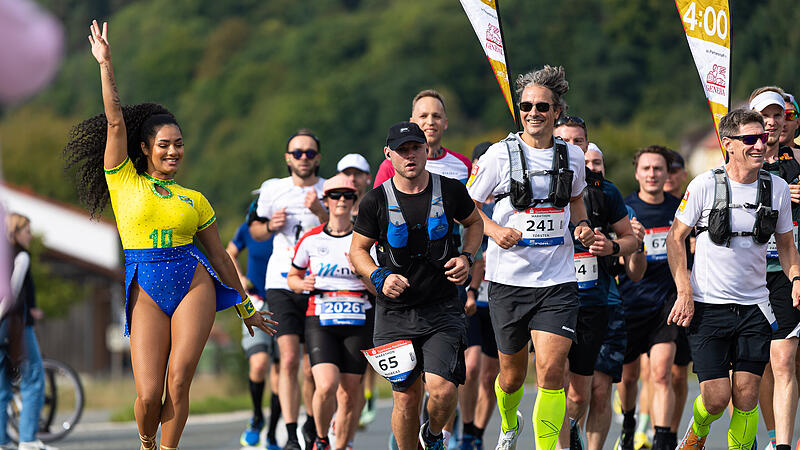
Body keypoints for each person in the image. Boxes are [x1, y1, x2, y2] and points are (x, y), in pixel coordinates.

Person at [63, 21, 275, 450]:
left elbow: (219, 257)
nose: (173, 150)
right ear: (145, 148)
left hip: (191, 279)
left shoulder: (195, 199)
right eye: (164, 144)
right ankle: (147, 440)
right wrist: (106, 65)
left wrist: (246, 308)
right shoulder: (123, 179)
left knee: (179, 381)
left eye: (179, 144)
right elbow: (116, 122)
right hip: (145, 282)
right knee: (147, 396)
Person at [467, 65, 595, 450]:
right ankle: (509, 423)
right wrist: (493, 230)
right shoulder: (498, 156)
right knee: (510, 377)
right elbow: (469, 207)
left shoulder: (572, 156)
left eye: (542, 106)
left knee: (553, 370)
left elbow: (575, 198)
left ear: (557, 112)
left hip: (557, 281)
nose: (533, 113)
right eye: (526, 106)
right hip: (508, 282)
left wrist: (583, 225)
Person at [669, 108, 800, 450]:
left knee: (746, 395)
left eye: (764, 137)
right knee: (716, 397)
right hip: (708, 306)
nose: (760, 144)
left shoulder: (778, 189)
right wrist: (684, 291)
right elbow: (675, 238)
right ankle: (697, 430)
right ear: (728, 144)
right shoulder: (704, 185)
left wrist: (797, 277)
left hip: (755, 307)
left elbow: (786, 246)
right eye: (750, 139)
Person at [350, 121, 483, 450]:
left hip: (442, 309)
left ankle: (434, 435)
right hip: (395, 313)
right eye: (402, 150)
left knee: (443, 390)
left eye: (416, 148)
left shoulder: (450, 190)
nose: (410, 156)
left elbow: (475, 222)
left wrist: (466, 256)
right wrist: (379, 277)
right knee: (407, 398)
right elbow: (357, 250)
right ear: (389, 154)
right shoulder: (375, 201)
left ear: (426, 150)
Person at [552, 118, 638, 450]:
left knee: (597, 390)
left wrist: (612, 246)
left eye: (580, 141)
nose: (573, 147)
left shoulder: (607, 192)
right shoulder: (538, 185)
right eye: (566, 141)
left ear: (587, 146)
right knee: (558, 384)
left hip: (601, 300)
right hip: (553, 299)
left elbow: (630, 240)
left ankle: (583, 440)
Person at [250, 129, 328, 450]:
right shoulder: (273, 190)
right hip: (281, 282)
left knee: (312, 367)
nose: (304, 158)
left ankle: (312, 422)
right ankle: (291, 431)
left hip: (317, 283)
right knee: (289, 358)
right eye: (298, 153)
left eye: (310, 153)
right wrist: (270, 226)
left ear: (318, 158)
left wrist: (320, 213)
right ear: (288, 158)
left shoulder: (329, 189)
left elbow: (343, 229)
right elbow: (254, 229)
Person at [288, 174, 375, 450]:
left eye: (347, 196)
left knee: (349, 395)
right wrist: (303, 284)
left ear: (354, 201)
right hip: (321, 316)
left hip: (359, 317)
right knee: (325, 386)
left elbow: (380, 289)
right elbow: (292, 276)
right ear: (325, 201)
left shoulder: (366, 241)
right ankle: (321, 439)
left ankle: (342, 445)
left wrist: (361, 274)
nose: (341, 201)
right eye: (335, 196)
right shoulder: (311, 239)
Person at [615, 145, 682, 450]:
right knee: (628, 378)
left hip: (666, 302)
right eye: (647, 169)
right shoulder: (625, 210)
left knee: (661, 373)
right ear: (637, 173)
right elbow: (625, 267)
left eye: (658, 169)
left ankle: (663, 439)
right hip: (631, 301)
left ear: (668, 174)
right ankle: (629, 423)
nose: (653, 174)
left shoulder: (680, 209)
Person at [748, 87, 800, 450]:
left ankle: (782, 443)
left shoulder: (796, 158)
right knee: (757, 367)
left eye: (779, 115)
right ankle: (767, 435)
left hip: (788, 269)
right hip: (746, 274)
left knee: (784, 359)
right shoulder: (738, 160)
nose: (773, 122)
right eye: (765, 116)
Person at [227, 201, 281, 450]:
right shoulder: (246, 230)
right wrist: (241, 279)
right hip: (257, 302)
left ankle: (272, 434)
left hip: (283, 301)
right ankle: (258, 417)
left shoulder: (285, 230)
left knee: (281, 372)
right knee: (258, 363)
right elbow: (229, 254)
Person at [459, 141, 500, 450]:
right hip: (470, 300)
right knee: (470, 367)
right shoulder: (463, 203)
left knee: (492, 378)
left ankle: (476, 435)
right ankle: (465, 427)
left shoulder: (508, 199)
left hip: (500, 299)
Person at [0, 214, 49, 450]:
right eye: (27, 230)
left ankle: (2, 441)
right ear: (15, 232)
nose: (30, 235)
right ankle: (28, 439)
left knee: (1, 385)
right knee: (33, 378)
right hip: (14, 324)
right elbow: (10, 294)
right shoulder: (20, 255)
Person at [373, 90, 472, 186]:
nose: (430, 122)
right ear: (412, 122)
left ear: (445, 123)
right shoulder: (391, 165)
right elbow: (378, 201)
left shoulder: (464, 164)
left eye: (436, 116)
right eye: (423, 116)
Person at [336, 154, 371, 219]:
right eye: (347, 173)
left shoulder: (376, 210)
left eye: (358, 173)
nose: (352, 178)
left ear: (368, 178)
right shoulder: (327, 208)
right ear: (337, 177)